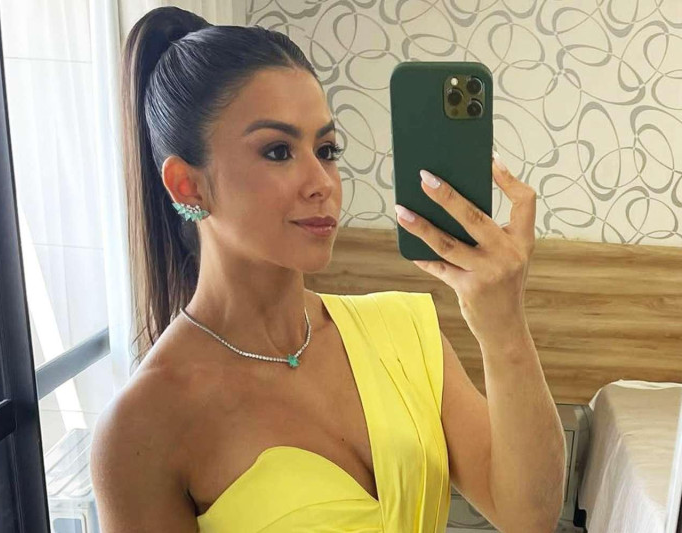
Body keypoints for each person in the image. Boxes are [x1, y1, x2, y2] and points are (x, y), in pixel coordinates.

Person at [90, 6, 566, 532]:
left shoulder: (405, 331)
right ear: (188, 185)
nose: (323, 182)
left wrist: (504, 328)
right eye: (278, 151)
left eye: (326, 149)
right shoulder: (144, 424)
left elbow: (530, 517)